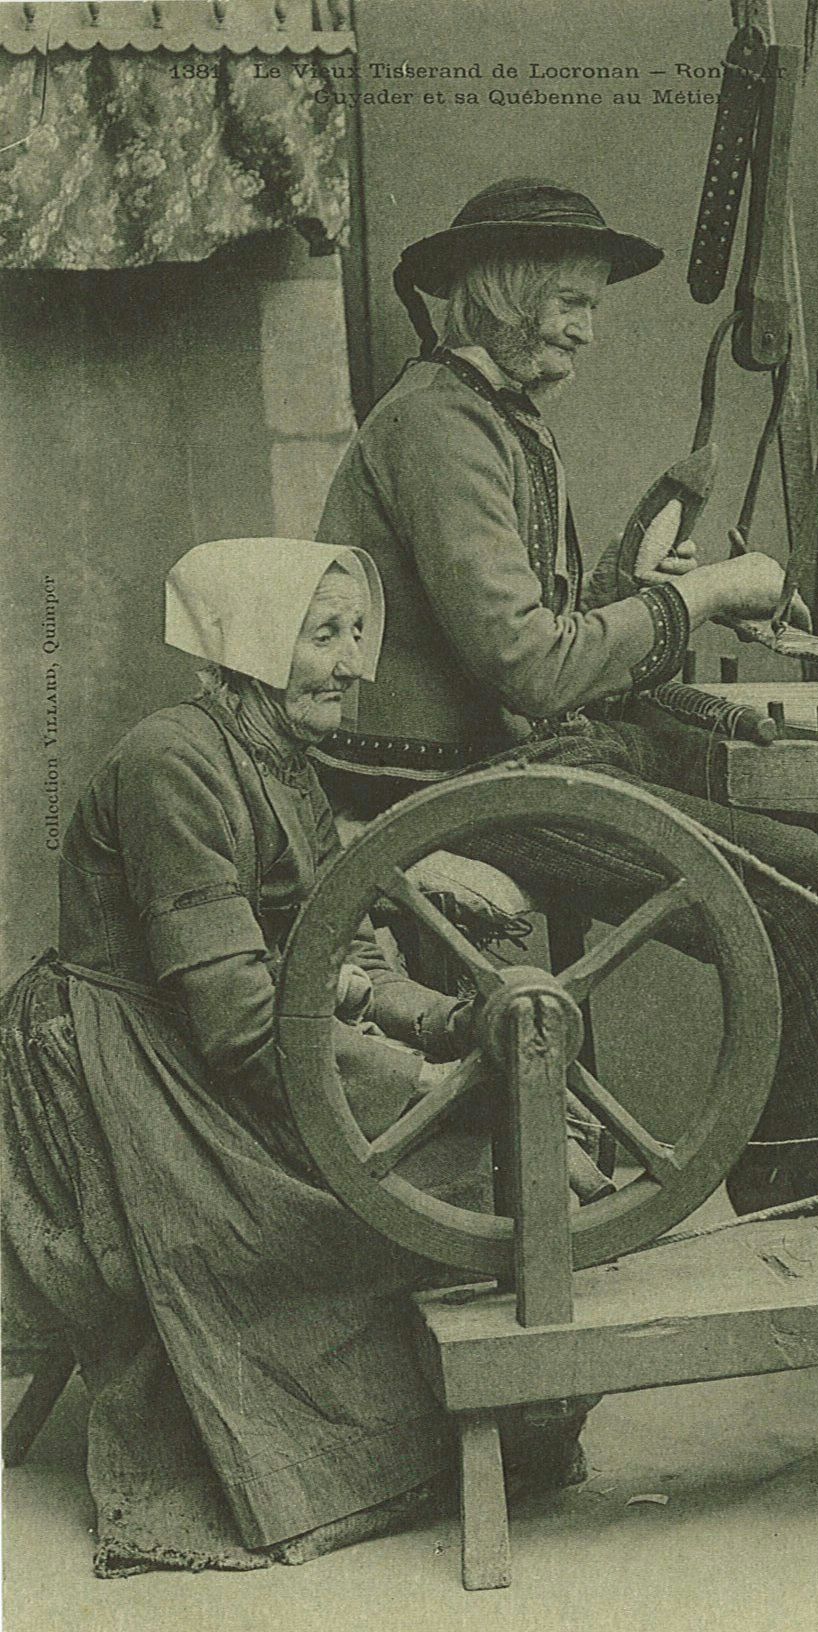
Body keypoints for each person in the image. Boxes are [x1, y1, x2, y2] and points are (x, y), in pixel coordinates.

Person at [1, 537, 584, 1578]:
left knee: (481, 1137)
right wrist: (426, 1089)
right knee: (380, 1190)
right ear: (253, 642)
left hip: (213, 1039)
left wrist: (451, 1027)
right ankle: (348, 1454)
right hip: (117, 1066)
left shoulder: (281, 762)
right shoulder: (173, 766)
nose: (354, 665)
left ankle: (479, 1421)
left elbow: (338, 952)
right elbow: (240, 1024)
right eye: (324, 636)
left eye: (356, 634)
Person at [315, 178, 818, 1211]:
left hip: (521, 756)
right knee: (804, 889)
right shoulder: (441, 431)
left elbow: (541, 630)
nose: (588, 332)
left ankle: (810, 1166)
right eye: (573, 303)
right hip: (465, 784)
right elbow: (534, 666)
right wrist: (708, 594)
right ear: (505, 294)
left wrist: (662, 599)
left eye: (592, 308)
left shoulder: (496, 417)